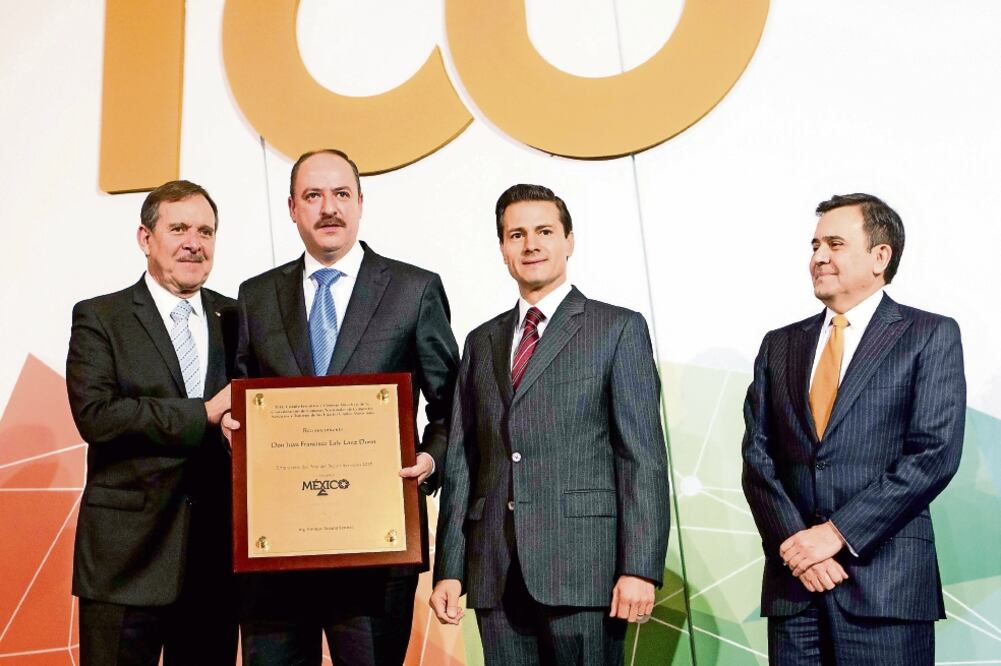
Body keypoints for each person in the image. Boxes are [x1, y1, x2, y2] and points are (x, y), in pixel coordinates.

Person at [225, 148, 459, 665]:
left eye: (341, 194)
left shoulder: (414, 289)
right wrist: (231, 427)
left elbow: (452, 407)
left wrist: (430, 459)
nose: (328, 208)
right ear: (292, 208)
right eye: (313, 196)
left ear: (360, 202)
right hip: (276, 555)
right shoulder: (255, 296)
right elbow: (241, 399)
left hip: (376, 551)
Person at [430, 184, 670, 665]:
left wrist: (640, 568)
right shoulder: (481, 341)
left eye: (544, 231)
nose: (531, 245)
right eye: (516, 234)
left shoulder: (617, 329)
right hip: (495, 572)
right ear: (503, 248)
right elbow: (462, 461)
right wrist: (449, 568)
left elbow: (641, 458)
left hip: (586, 569)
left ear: (569, 241)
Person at [741, 193, 966, 665]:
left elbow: (933, 454)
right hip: (795, 591)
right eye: (815, 245)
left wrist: (837, 534)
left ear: (880, 256)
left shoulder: (929, 334)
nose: (819, 257)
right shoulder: (779, 344)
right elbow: (758, 458)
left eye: (835, 244)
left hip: (885, 589)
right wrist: (798, 548)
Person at [66, 180, 238, 665]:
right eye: (179, 228)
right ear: (145, 238)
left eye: (205, 231)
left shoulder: (237, 317)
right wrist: (202, 414)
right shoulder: (101, 317)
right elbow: (97, 415)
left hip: (215, 564)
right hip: (126, 561)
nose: (194, 243)